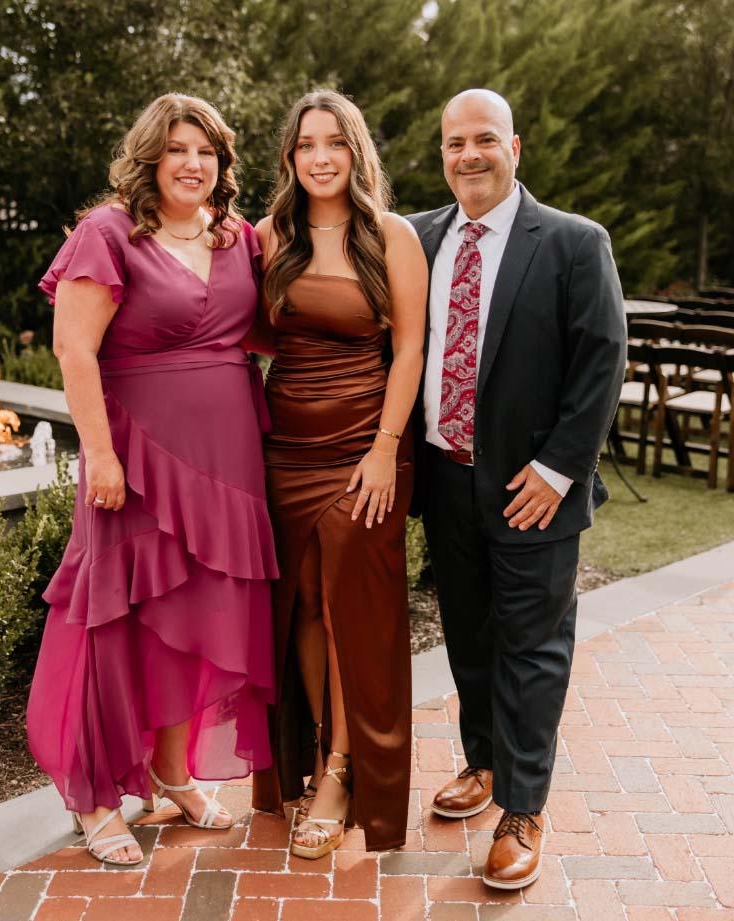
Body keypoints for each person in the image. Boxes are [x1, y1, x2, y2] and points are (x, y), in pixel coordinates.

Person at [26, 93, 278, 866]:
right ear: (150, 158)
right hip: (132, 459)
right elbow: (74, 351)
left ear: (222, 163)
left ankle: (172, 770)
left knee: (200, 613)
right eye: (177, 150)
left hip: (227, 461)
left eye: (206, 151)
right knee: (119, 617)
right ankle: (97, 796)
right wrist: (100, 455)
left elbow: (269, 330)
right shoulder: (108, 233)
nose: (193, 164)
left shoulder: (238, 238)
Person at [406, 89, 626, 889]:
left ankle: (524, 807)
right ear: (441, 153)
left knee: (533, 650)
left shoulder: (573, 242)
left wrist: (560, 468)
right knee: (468, 636)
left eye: (484, 140)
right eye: (454, 142)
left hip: (533, 489)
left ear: (516, 147)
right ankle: (484, 762)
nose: (469, 154)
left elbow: (602, 359)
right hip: (444, 479)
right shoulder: (419, 238)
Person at [249, 90, 427, 858]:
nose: (319, 156)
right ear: (289, 158)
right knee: (305, 613)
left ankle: (346, 769)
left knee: (356, 611)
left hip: (366, 451)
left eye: (334, 142)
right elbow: (238, 333)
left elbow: (411, 348)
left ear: (356, 151)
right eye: (304, 144)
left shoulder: (391, 236)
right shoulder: (266, 237)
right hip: (284, 450)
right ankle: (322, 750)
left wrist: (386, 445)